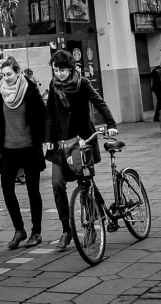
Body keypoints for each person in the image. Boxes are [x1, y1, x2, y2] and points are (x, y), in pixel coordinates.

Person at [45, 49, 118, 250]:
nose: (58, 74)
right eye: (55, 70)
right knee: (57, 184)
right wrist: (48, 138)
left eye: (61, 70)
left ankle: (91, 227)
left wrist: (111, 124)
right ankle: (66, 230)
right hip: (61, 143)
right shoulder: (53, 85)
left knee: (85, 184)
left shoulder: (82, 83)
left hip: (83, 141)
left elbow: (99, 102)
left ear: (71, 69)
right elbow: (50, 112)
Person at [0, 56, 46, 249]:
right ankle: (19, 230)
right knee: (7, 189)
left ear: (18, 73)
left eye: (9, 74)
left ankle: (36, 232)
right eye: (3, 74)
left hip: (29, 148)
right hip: (8, 149)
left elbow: (42, 117)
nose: (6, 78)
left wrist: (46, 139)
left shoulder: (30, 91)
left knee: (33, 191)